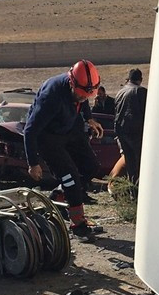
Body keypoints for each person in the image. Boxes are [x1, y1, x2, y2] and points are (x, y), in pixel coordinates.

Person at [24, 60, 105, 241]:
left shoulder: (81, 90)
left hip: (69, 128)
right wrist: (33, 163)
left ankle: (60, 195)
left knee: (91, 167)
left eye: (87, 95)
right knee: (71, 179)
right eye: (81, 94)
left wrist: (89, 118)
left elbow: (83, 100)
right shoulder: (51, 96)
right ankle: (79, 226)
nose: (83, 98)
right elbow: (30, 131)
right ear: (71, 83)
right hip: (47, 136)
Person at [114, 68, 147, 184]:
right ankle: (139, 190)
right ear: (140, 79)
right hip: (136, 133)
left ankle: (132, 189)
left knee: (130, 166)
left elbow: (116, 115)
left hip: (122, 133)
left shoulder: (120, 93)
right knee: (141, 164)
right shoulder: (141, 91)